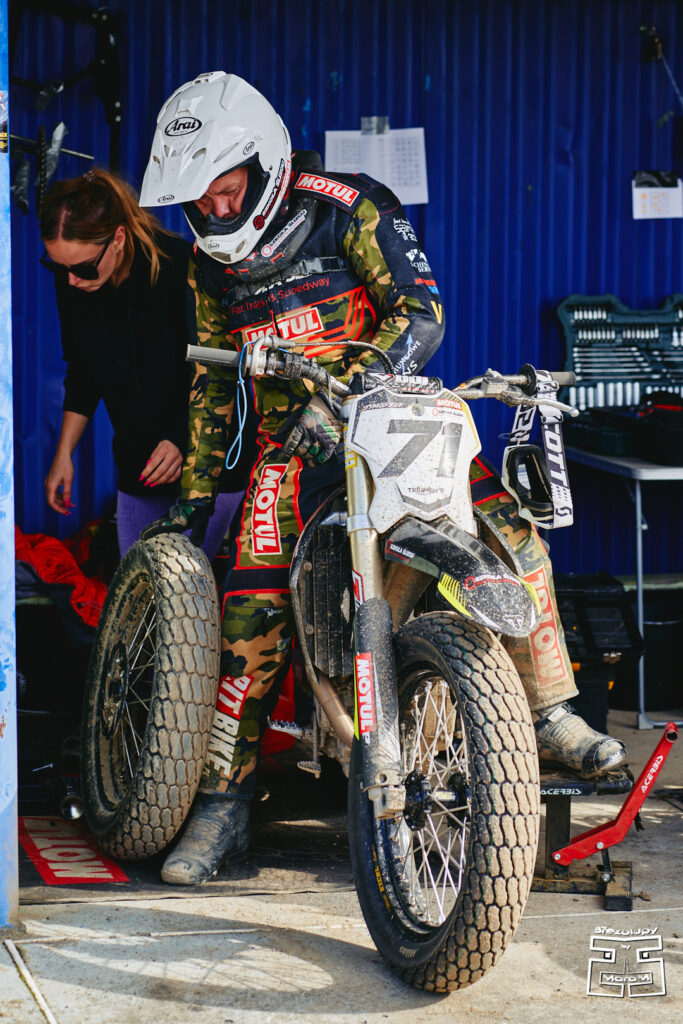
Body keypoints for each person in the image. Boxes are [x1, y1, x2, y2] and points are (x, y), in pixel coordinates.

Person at [139, 72, 627, 885]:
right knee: (249, 604)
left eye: (226, 190)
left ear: (262, 164)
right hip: (290, 448)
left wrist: (345, 393)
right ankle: (224, 801)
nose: (216, 209)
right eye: (201, 200)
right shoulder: (206, 264)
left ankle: (548, 710)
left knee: (510, 532)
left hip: (391, 420)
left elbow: (421, 313)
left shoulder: (351, 205)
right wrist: (193, 499)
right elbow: (209, 380)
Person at [39, 167, 248, 560]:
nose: (71, 280)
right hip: (138, 462)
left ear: (117, 238)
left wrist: (181, 436)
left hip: (206, 458)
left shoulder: (182, 268)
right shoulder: (76, 281)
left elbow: (222, 368)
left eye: (83, 267)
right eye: (59, 267)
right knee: (135, 588)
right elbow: (83, 371)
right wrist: (64, 453)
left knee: (184, 588)